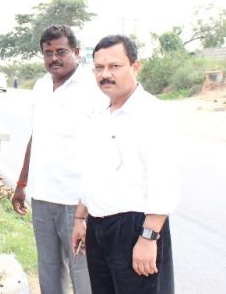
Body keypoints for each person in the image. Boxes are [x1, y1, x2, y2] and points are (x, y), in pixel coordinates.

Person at [71, 35, 179, 294]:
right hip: (98, 227)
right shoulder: (100, 114)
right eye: (99, 68)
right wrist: (80, 218)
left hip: (135, 229)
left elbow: (163, 181)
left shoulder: (152, 114)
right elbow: (93, 173)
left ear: (135, 67)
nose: (105, 74)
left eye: (114, 66)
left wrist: (148, 238)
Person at [11, 25, 107, 294]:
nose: (53, 58)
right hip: (42, 197)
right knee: (49, 270)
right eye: (47, 53)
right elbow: (36, 136)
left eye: (61, 51)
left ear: (76, 51)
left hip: (77, 201)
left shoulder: (93, 88)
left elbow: (105, 146)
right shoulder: (41, 86)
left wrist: (90, 202)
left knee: (83, 272)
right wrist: (21, 182)